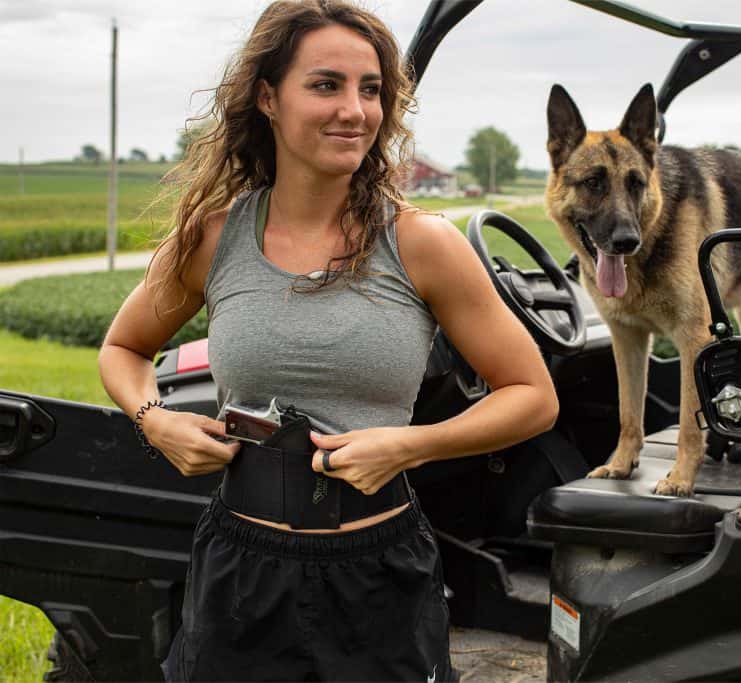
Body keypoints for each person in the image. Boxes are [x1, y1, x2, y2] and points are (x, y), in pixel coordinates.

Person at [97, 1, 558, 680]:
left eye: (369, 89)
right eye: (326, 85)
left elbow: (533, 396)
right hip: (239, 573)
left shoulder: (422, 243)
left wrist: (411, 443)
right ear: (267, 98)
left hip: (377, 576)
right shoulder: (212, 239)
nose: (355, 110)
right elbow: (123, 349)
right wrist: (154, 419)